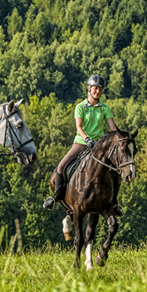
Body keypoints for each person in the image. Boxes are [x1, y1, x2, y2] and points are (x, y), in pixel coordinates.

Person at [43, 75, 119, 212]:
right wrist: (87, 139)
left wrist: (119, 138)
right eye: (95, 88)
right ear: (89, 89)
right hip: (82, 143)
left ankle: (114, 203)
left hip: (100, 146)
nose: (97, 91)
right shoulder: (80, 107)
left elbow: (113, 128)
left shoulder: (105, 108)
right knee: (61, 167)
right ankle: (55, 197)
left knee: (116, 171)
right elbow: (79, 127)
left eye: (100, 89)